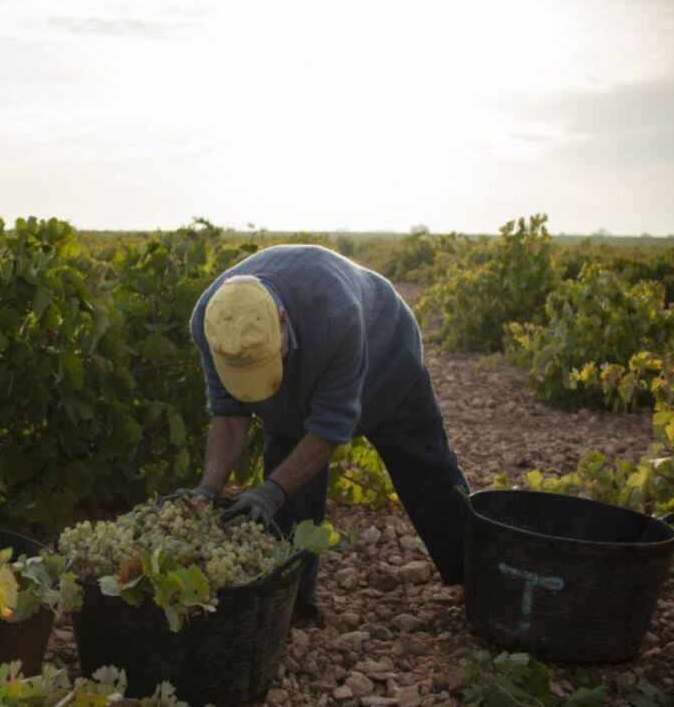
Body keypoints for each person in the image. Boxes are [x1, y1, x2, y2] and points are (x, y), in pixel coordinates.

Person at [162, 244, 469, 626]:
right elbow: (228, 416)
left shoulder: (338, 314)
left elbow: (330, 427)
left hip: (387, 358)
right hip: (302, 375)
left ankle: (479, 580)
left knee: (428, 472)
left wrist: (271, 489)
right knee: (285, 509)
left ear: (283, 319)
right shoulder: (212, 321)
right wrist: (207, 492)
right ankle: (294, 611)